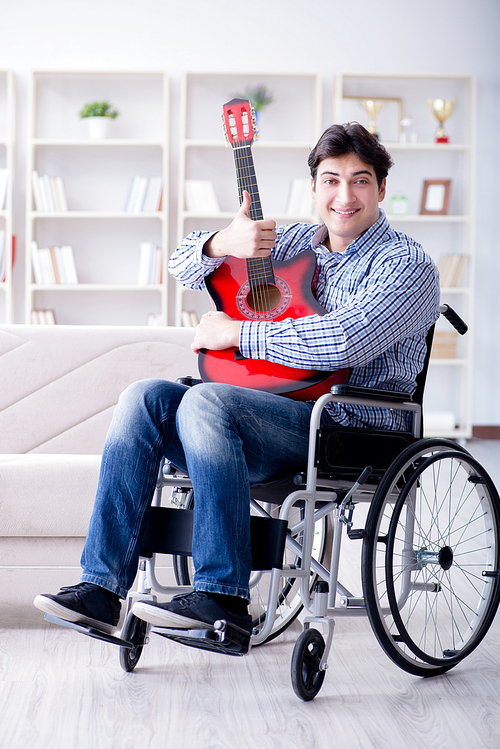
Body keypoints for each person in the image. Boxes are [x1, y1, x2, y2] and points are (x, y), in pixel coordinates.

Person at [34, 122, 440, 637]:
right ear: (313, 188)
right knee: (143, 398)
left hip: (345, 426)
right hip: (257, 412)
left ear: (381, 189)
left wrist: (238, 335)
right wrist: (220, 242)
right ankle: (101, 588)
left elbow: (343, 341)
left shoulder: (406, 264)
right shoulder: (289, 242)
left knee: (208, 402)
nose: (344, 195)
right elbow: (183, 268)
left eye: (360, 181)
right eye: (331, 180)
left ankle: (222, 597)